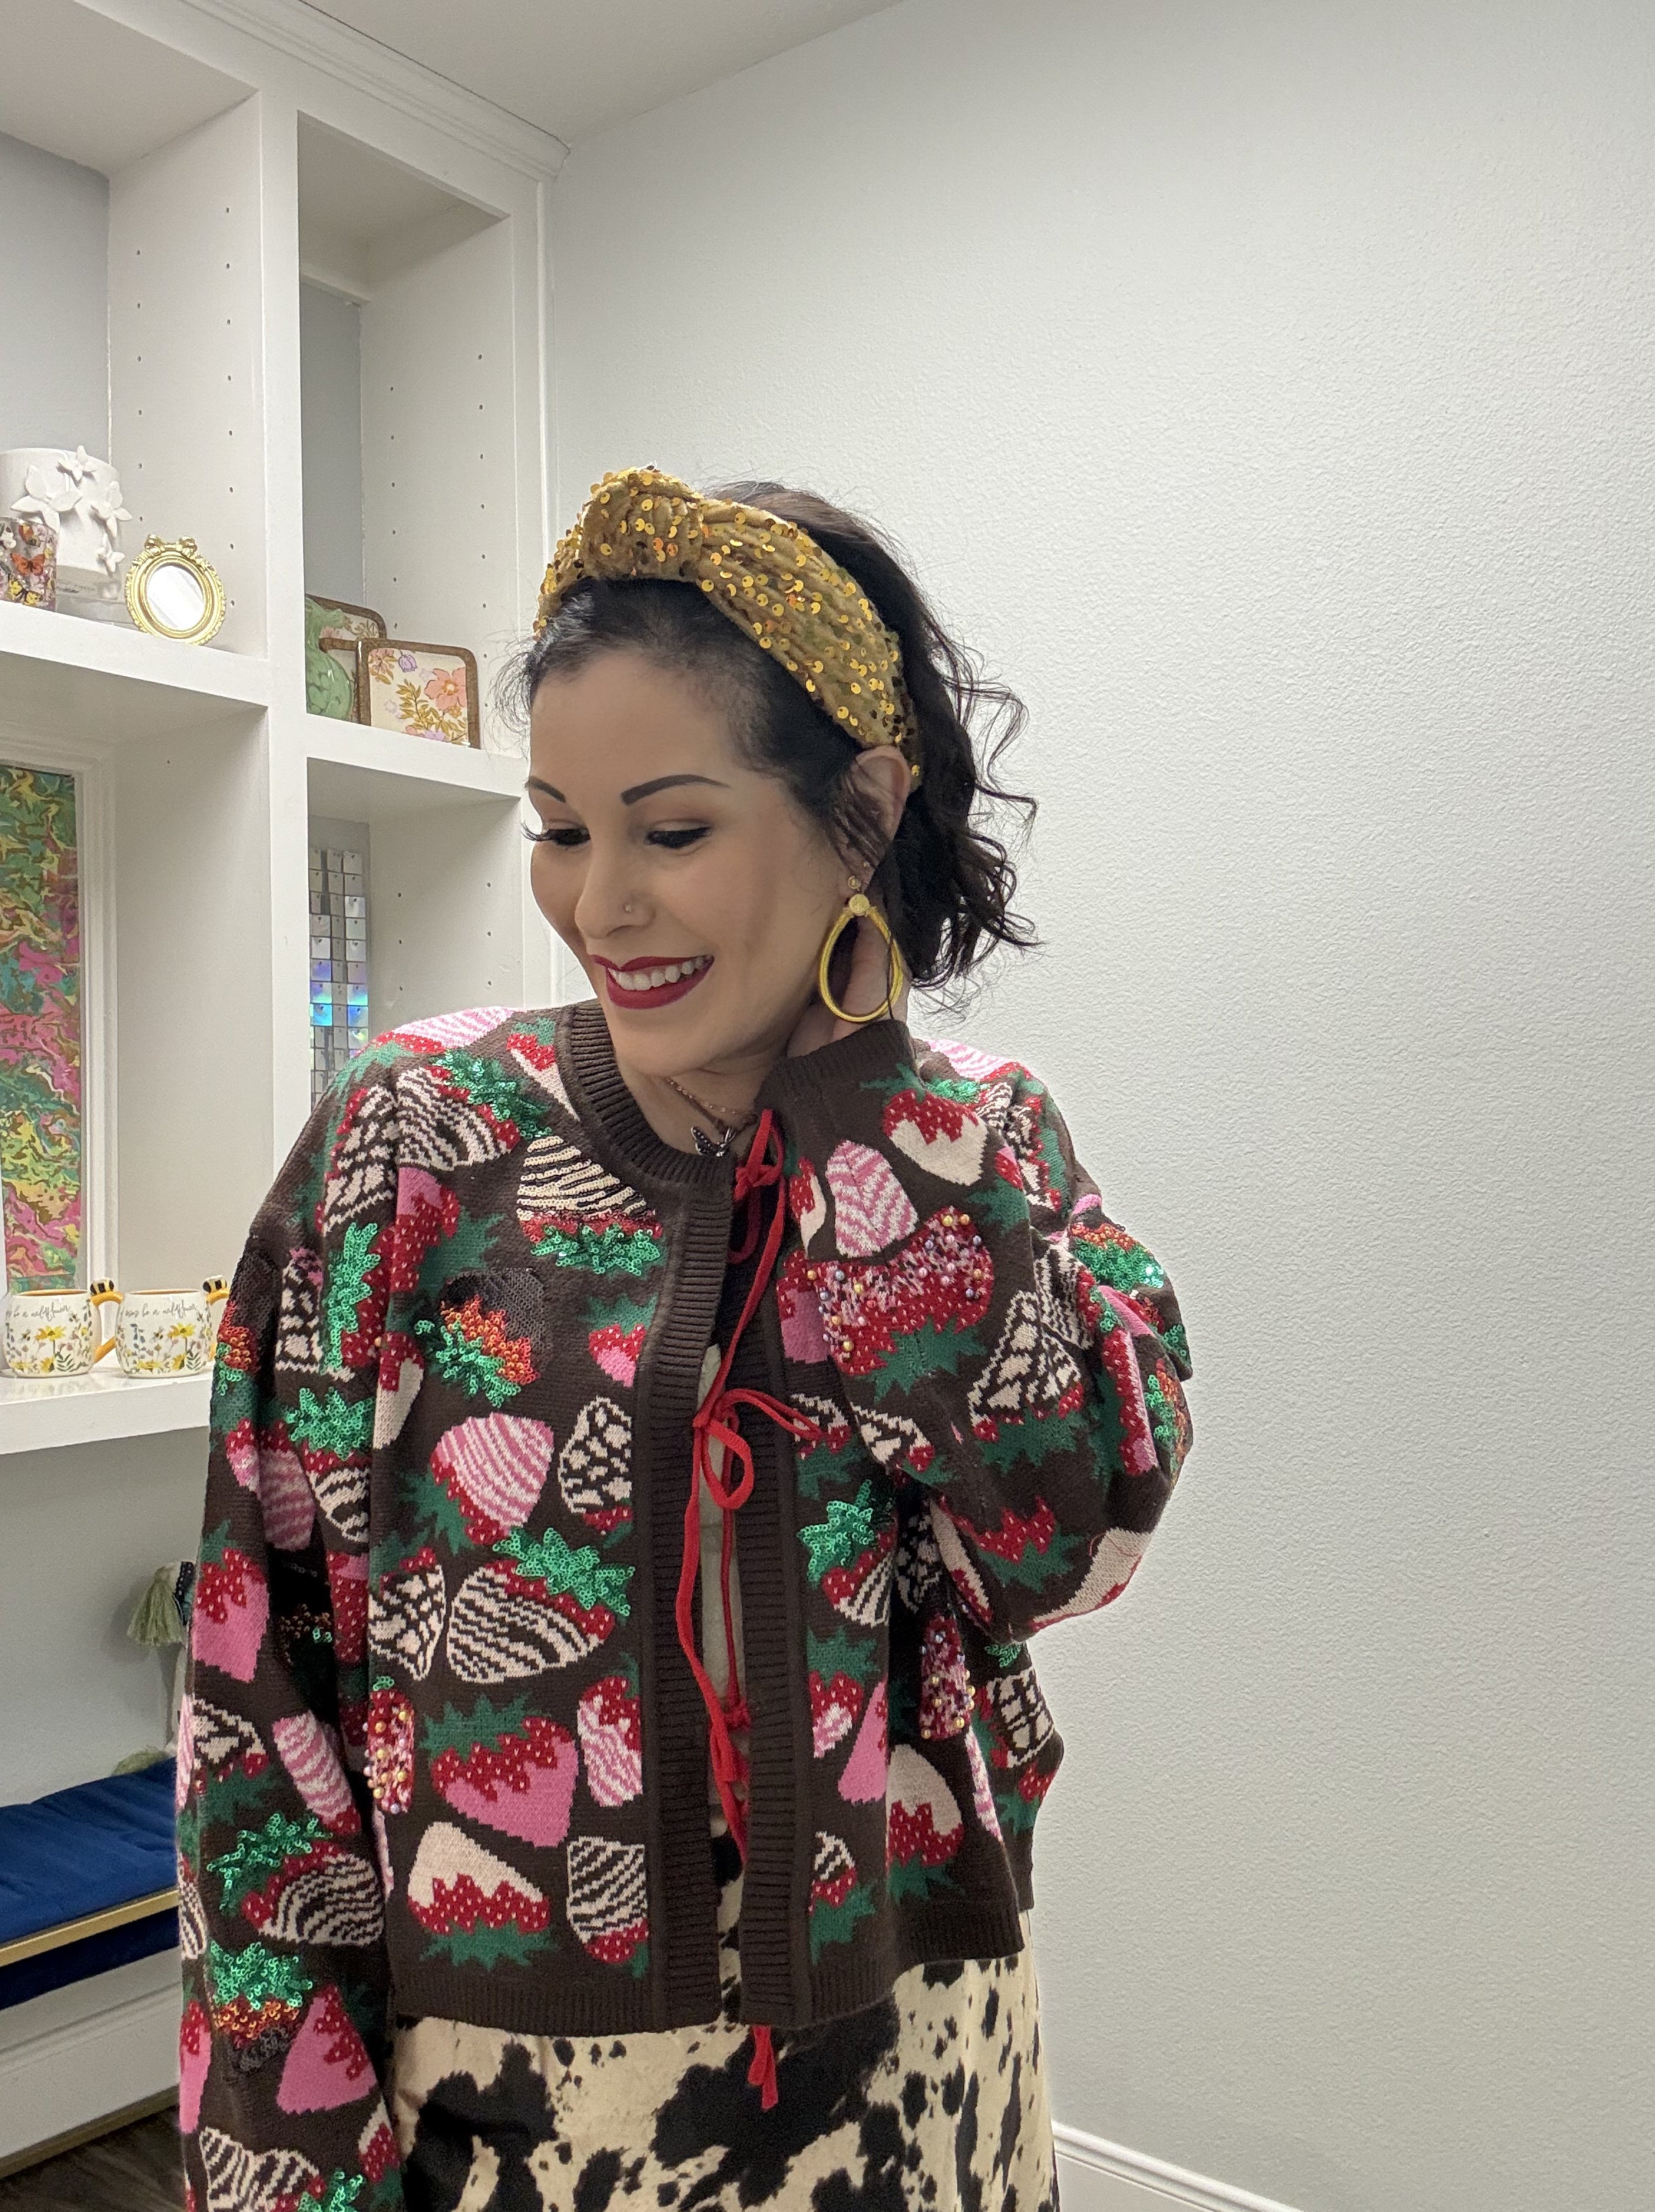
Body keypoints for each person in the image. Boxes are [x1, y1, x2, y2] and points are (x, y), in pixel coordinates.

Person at [176, 466, 1196, 2212]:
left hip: (917, 2074)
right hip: (504, 2105)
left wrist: (869, 1105)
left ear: (860, 812)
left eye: (670, 832)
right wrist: (290, 2151)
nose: (599, 905)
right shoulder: (411, 1140)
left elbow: (1069, 1538)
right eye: (559, 828)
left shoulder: (985, 1142)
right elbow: (257, 1685)